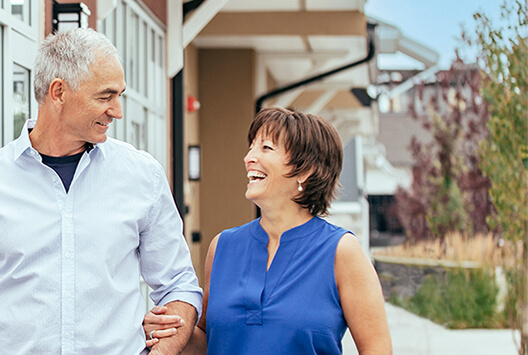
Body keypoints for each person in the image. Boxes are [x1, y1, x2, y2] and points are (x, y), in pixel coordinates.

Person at [0, 28, 202, 355]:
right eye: (105, 96)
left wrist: (163, 349)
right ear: (59, 92)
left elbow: (178, 285)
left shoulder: (142, 176)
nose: (117, 111)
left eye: (119, 96)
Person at [143, 107, 392, 354]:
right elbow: (208, 342)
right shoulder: (222, 247)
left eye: (266, 148)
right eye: (251, 146)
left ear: (306, 170)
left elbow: (377, 350)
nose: (249, 157)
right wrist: (172, 330)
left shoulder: (341, 251)